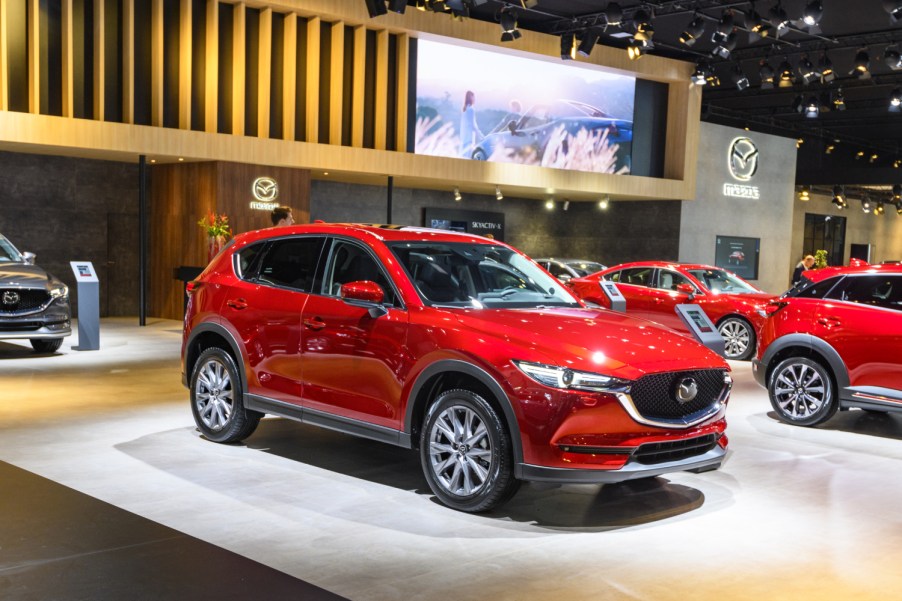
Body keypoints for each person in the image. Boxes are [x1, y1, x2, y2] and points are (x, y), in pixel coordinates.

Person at [459, 90, 483, 158]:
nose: (475, 99)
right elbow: (473, 125)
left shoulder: (464, 109)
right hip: (469, 139)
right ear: (471, 98)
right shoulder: (471, 109)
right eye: (474, 97)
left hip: (464, 138)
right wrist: (481, 136)